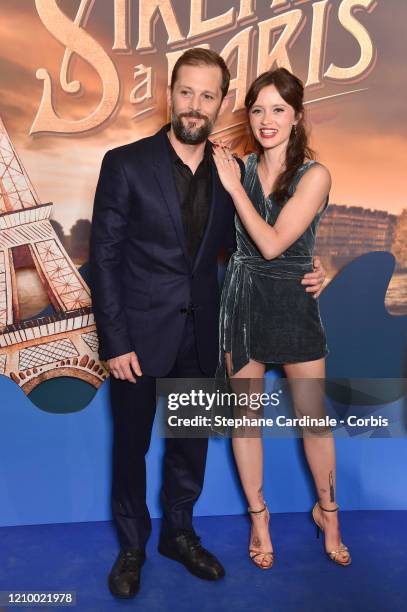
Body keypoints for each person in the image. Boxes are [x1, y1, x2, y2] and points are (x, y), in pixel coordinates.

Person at [90, 49, 326, 599]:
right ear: (170, 94)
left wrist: (313, 270)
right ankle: (132, 547)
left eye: (208, 95)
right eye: (186, 92)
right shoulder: (124, 164)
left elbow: (255, 245)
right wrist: (115, 341)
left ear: (221, 103)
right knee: (130, 446)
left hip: (204, 339)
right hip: (138, 342)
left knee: (189, 445)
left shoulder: (231, 172)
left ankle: (179, 534)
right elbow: (103, 260)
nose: (195, 105)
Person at [213, 68, 351, 570]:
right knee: (245, 423)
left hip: (293, 304)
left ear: (296, 116)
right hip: (241, 303)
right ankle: (259, 518)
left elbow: (272, 245)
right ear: (247, 116)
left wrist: (234, 189)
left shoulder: (314, 174)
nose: (266, 119)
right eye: (257, 109)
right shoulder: (236, 166)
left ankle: (329, 513)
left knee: (314, 419)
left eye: (277, 109)